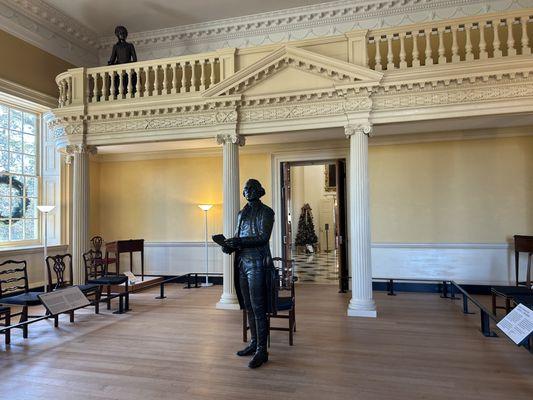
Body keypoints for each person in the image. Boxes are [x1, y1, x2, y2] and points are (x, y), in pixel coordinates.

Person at [222, 179, 277, 369]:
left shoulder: (267, 212)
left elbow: (263, 237)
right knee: (248, 307)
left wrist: (239, 242)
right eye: (245, 189)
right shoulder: (241, 213)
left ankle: (262, 350)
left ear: (259, 191)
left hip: (258, 263)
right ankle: (254, 343)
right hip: (242, 263)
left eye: (250, 188)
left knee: (258, 307)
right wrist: (228, 246)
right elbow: (238, 236)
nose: (246, 191)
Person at [108, 26, 137, 96]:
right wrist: (109, 64)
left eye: (124, 33)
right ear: (117, 35)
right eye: (121, 33)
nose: (123, 34)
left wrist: (131, 66)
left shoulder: (130, 45)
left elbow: (135, 59)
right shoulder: (116, 46)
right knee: (114, 78)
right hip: (119, 68)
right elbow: (112, 58)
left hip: (128, 68)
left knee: (131, 78)